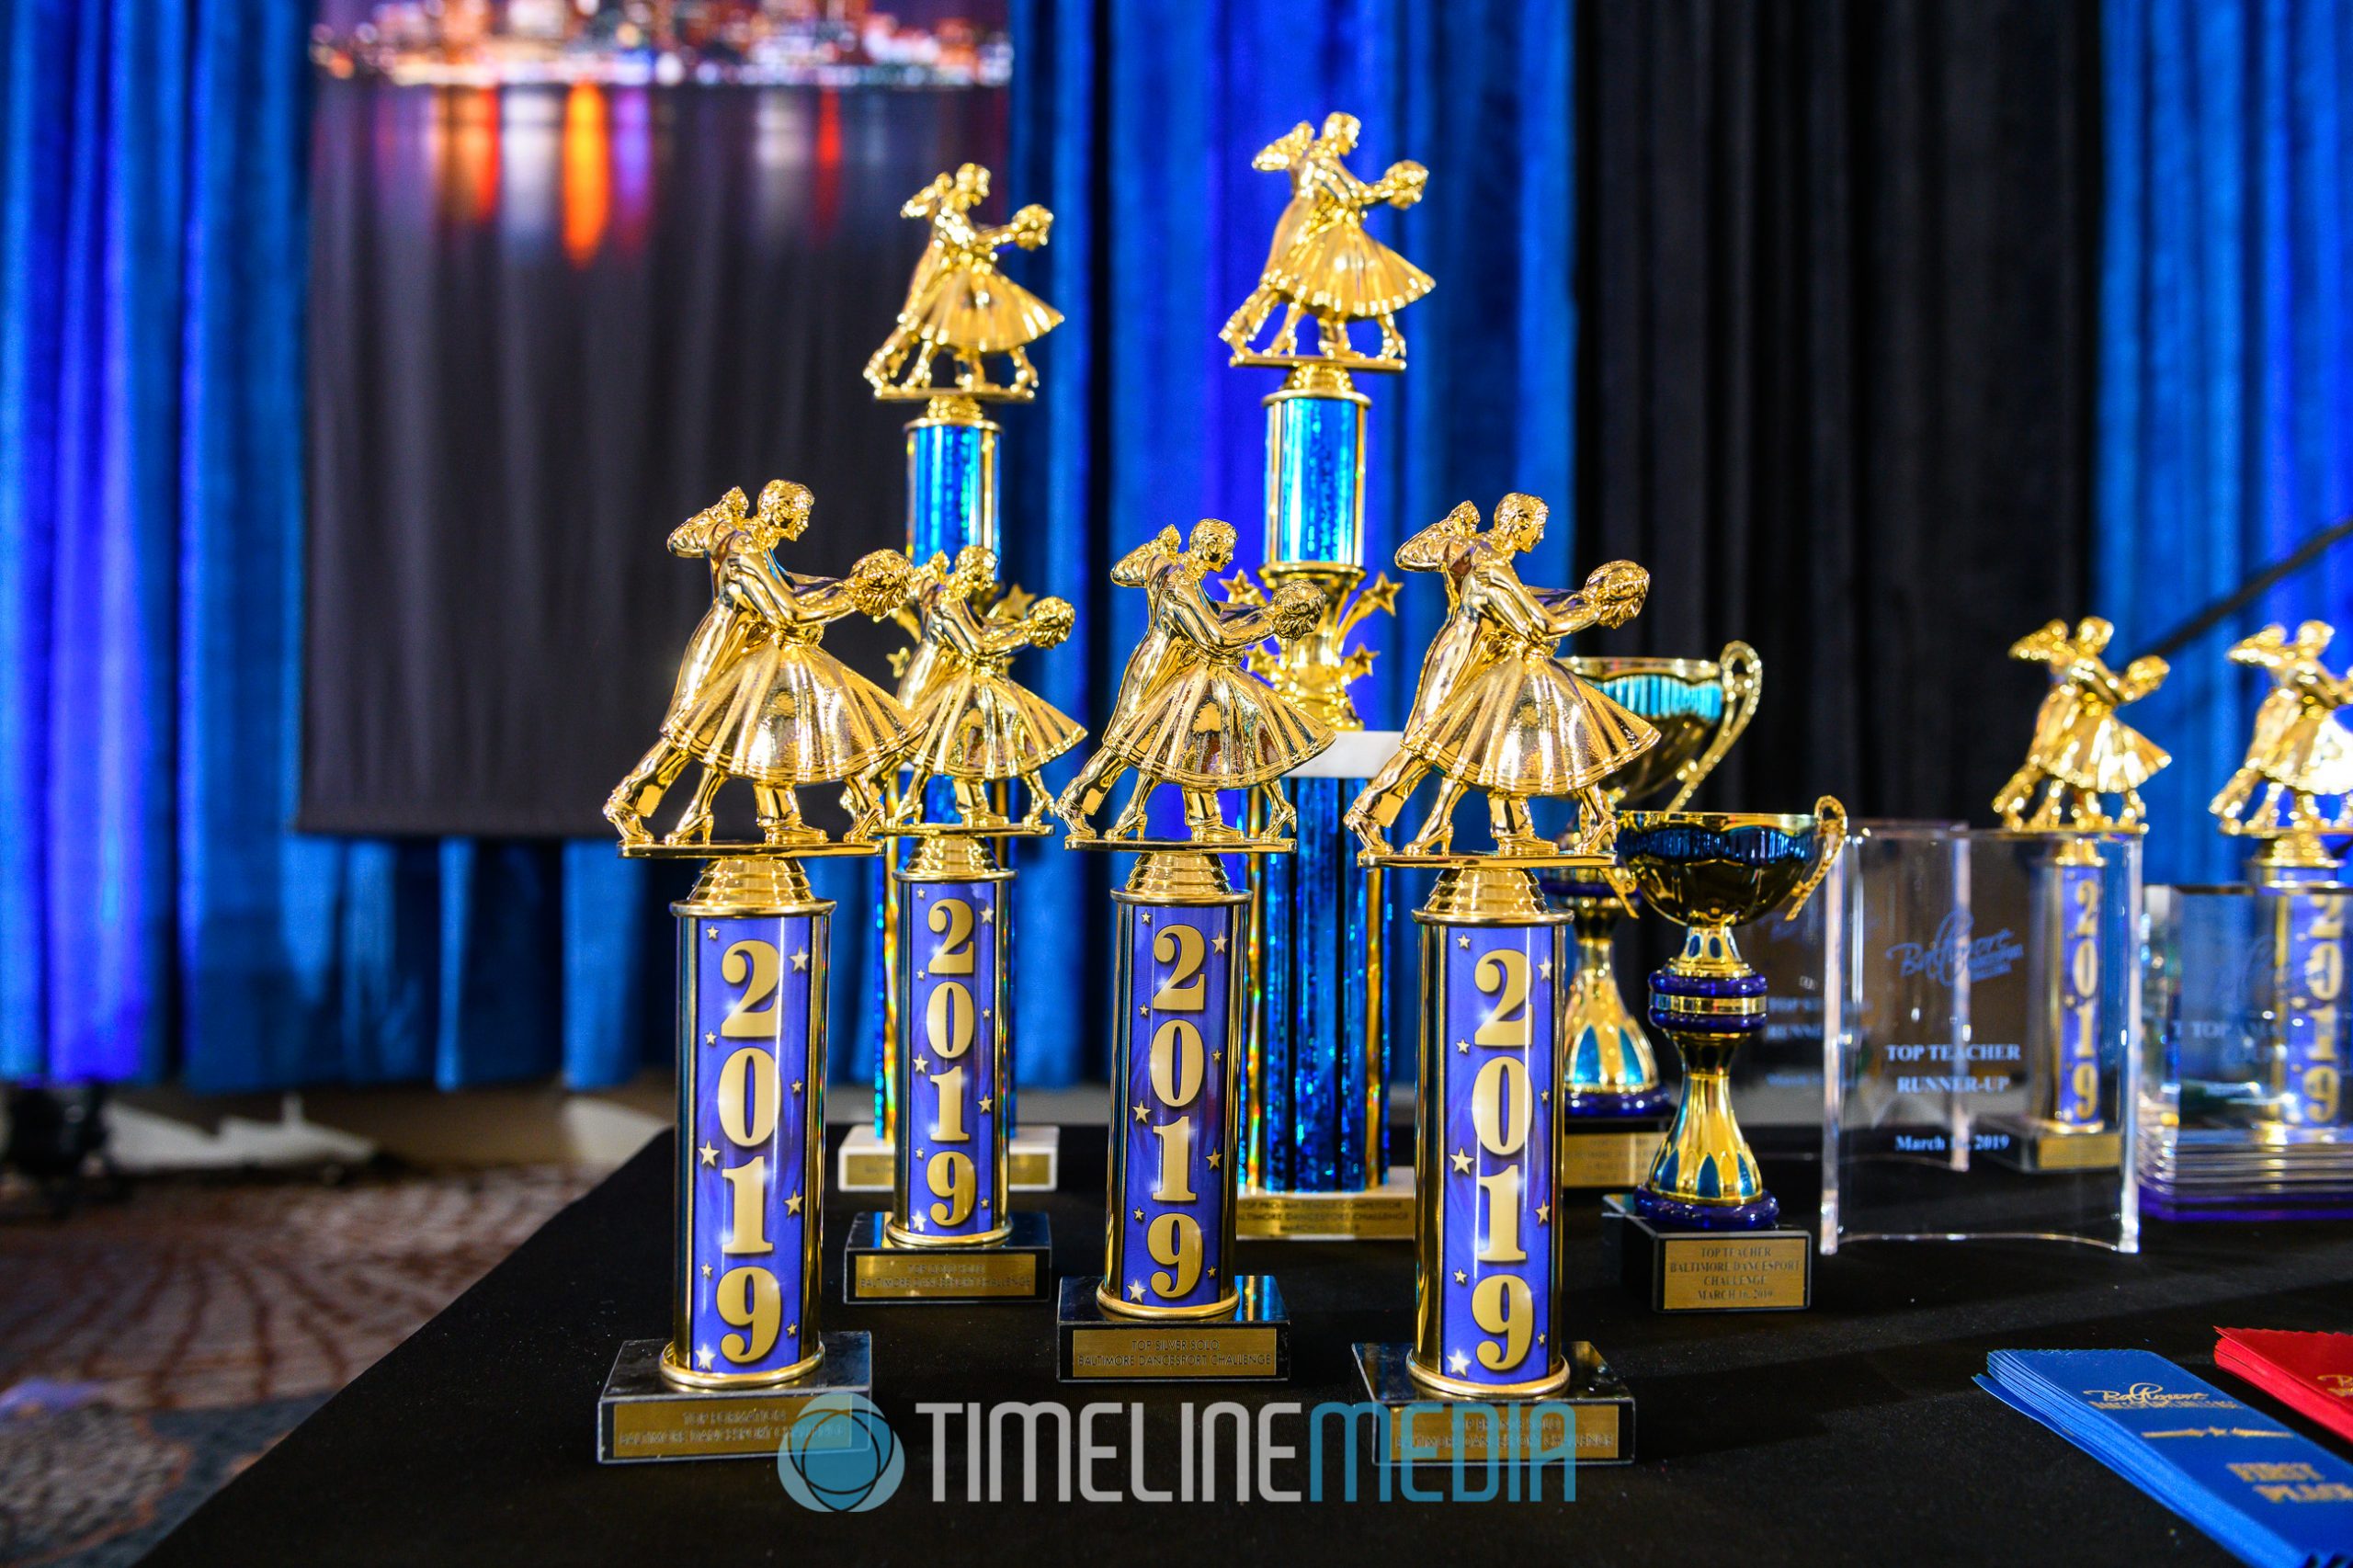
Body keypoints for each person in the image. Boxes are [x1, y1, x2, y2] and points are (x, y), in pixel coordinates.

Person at [605, 481, 913, 847]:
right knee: (690, 734)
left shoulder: (758, 546)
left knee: (773, 723)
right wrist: (848, 596)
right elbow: (788, 610)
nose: (805, 524)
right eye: (802, 515)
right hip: (724, 649)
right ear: (780, 511)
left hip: (749, 651)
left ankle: (780, 820)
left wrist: (841, 587)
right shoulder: (745, 547)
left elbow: (789, 583)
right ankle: (628, 803)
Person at [1350, 494, 1656, 857]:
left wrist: (1449, 530)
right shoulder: (1492, 565)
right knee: (1429, 743)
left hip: (1479, 654)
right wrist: (1593, 607)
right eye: (1538, 529)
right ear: (1520, 523)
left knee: (1507, 733)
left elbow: (1526, 599)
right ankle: (1367, 814)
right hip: (1466, 657)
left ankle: (1513, 830)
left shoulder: (1475, 549)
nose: (1540, 538)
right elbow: (1538, 624)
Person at [1058, 519, 1330, 844]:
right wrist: (1269, 620)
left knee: (1196, 734)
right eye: (1226, 550)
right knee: (1128, 743)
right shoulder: (1181, 583)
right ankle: (1073, 803)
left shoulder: (1172, 568)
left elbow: (1125, 573)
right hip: (1160, 667)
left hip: (1180, 665)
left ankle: (1205, 820)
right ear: (1209, 546)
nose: (1229, 558)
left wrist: (1157, 549)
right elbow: (1214, 638)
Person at [882, 545, 1085, 829]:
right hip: (930, 679)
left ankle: (968, 806)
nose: (990, 579)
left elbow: (982, 628)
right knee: (937, 736)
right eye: (987, 571)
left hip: (945, 677)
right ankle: (895, 798)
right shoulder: (949, 599)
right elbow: (976, 646)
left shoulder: (956, 596)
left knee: (967, 732)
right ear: (973, 571)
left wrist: (1022, 628)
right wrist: (1026, 632)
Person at [1220, 111, 1432, 363]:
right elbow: (1353, 195)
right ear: (1338, 133)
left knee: (1325, 281)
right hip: (1304, 223)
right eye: (1351, 137)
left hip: (1314, 224)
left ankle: (1335, 343)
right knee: (1283, 280)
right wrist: (1390, 186)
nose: (1353, 144)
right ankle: (1240, 332)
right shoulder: (1321, 161)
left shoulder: (1325, 159)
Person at [865, 164, 1060, 396]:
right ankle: (883, 368)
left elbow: (979, 236)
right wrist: (1012, 232)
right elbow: (972, 242)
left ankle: (969, 375)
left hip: (950, 278)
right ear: (970, 184)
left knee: (961, 323)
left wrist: (1012, 235)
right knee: (918, 324)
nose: (985, 193)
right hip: (936, 277)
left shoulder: (957, 210)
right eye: (982, 186)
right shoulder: (949, 210)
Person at [1992, 618, 2170, 830]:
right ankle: (2009, 804)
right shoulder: (2083, 660)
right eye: (2102, 639)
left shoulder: (2068, 653)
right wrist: (2141, 684)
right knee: (2044, 761)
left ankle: (2079, 811)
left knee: (2073, 764)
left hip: (2059, 710)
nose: (2102, 645)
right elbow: (2114, 692)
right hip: (2062, 713)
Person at [2211, 620, 2353, 833]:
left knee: (2293, 767)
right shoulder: (2299, 661)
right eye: (2321, 639)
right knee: (2263, 763)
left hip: (2293, 716)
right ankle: (2227, 807)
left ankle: (2301, 814)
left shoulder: (2291, 657)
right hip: (2282, 715)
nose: (2322, 645)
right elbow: (2332, 696)